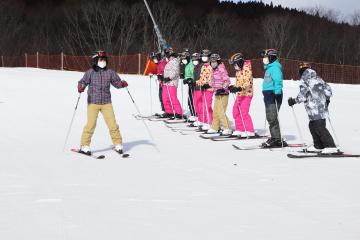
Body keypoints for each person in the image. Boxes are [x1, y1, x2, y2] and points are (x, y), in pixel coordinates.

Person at [77, 50, 128, 155]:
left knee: (113, 124)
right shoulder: (90, 72)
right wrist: (80, 87)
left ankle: (117, 143)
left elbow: (117, 83)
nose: (103, 61)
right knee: (91, 125)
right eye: (100, 60)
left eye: (104, 60)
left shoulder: (110, 72)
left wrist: (122, 84)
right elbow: (82, 82)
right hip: (93, 102)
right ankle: (84, 145)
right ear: (96, 61)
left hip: (106, 103)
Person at [288, 62, 338, 154]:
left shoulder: (305, 79)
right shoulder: (318, 78)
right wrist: (326, 100)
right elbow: (328, 90)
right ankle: (318, 145)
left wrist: (294, 101)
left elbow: (303, 94)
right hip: (321, 108)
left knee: (319, 127)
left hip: (314, 108)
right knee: (313, 125)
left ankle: (331, 146)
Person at [260, 49, 288, 148]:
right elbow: (268, 82)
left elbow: (278, 81)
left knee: (272, 117)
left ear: (271, 57)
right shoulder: (268, 68)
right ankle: (274, 137)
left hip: (274, 95)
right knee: (270, 117)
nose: (264, 59)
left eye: (266, 57)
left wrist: (277, 92)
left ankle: (277, 139)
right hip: (268, 95)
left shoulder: (275, 67)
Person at [228, 53, 255, 137]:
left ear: (240, 62)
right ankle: (240, 129)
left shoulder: (247, 69)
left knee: (243, 112)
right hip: (240, 94)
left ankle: (250, 130)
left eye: (235, 64)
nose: (234, 67)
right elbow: (239, 83)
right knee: (235, 111)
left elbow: (247, 83)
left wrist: (239, 88)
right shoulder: (238, 71)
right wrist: (233, 87)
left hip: (247, 94)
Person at [206, 53, 232, 135]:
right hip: (217, 93)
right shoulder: (214, 70)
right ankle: (215, 127)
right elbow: (213, 81)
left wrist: (222, 88)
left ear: (218, 61)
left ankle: (227, 128)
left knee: (221, 111)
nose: (213, 63)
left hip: (223, 93)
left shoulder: (221, 69)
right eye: (211, 61)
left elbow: (227, 81)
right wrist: (209, 85)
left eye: (214, 61)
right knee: (216, 112)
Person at [196, 49, 213, 131]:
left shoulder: (211, 66)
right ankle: (204, 121)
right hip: (203, 89)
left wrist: (208, 84)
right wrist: (198, 82)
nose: (203, 58)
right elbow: (202, 77)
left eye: (205, 57)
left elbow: (212, 78)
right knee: (203, 105)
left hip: (209, 89)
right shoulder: (203, 66)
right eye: (203, 57)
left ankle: (210, 122)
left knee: (207, 105)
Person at [163, 52, 183, 119]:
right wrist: (164, 78)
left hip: (172, 83)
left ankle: (179, 113)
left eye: (170, 56)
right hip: (166, 82)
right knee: (165, 97)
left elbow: (175, 72)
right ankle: (169, 112)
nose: (169, 57)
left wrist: (169, 78)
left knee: (173, 98)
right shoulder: (169, 62)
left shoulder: (175, 62)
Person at [181, 50, 197, 122]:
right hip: (189, 84)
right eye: (182, 59)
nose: (183, 60)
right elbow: (188, 74)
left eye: (184, 59)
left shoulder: (191, 64)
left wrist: (190, 79)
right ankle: (193, 114)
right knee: (189, 99)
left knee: (192, 99)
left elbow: (194, 74)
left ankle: (195, 114)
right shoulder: (187, 64)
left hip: (194, 84)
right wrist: (185, 78)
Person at [150, 51, 167, 117]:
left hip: (165, 84)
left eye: (155, 58)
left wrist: (159, 76)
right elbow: (159, 74)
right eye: (153, 59)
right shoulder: (159, 64)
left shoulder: (162, 63)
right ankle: (163, 110)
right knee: (161, 97)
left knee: (163, 97)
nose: (154, 60)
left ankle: (166, 110)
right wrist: (155, 76)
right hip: (161, 83)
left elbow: (164, 73)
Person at [189, 52, 202, 127]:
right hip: (196, 88)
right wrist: (192, 81)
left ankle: (202, 119)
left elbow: (202, 78)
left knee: (200, 104)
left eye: (196, 59)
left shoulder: (201, 67)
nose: (194, 61)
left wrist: (196, 82)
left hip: (200, 87)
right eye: (193, 60)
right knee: (196, 103)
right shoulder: (195, 67)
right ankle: (198, 118)